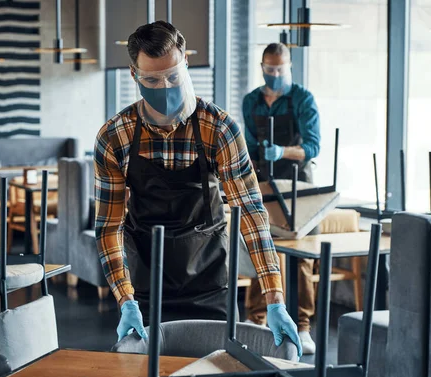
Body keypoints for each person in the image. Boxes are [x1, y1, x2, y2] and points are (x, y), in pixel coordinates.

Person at [94, 22, 302, 357]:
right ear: (134, 75)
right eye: (152, 80)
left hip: (210, 285)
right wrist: (125, 298)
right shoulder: (114, 136)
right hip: (146, 286)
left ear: (186, 63)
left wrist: (274, 297)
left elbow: (249, 212)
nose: (165, 87)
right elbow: (109, 226)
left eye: (173, 77)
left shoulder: (218, 128)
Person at [242, 43, 321, 354]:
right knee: (262, 247)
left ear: (290, 67)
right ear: (262, 66)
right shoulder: (252, 101)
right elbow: (248, 143)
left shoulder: (303, 98)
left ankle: (302, 327)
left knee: (301, 256)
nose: (275, 75)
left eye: (280, 70)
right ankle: (257, 321)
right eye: (269, 69)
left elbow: (313, 146)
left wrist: (283, 152)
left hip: (299, 182)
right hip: (264, 181)